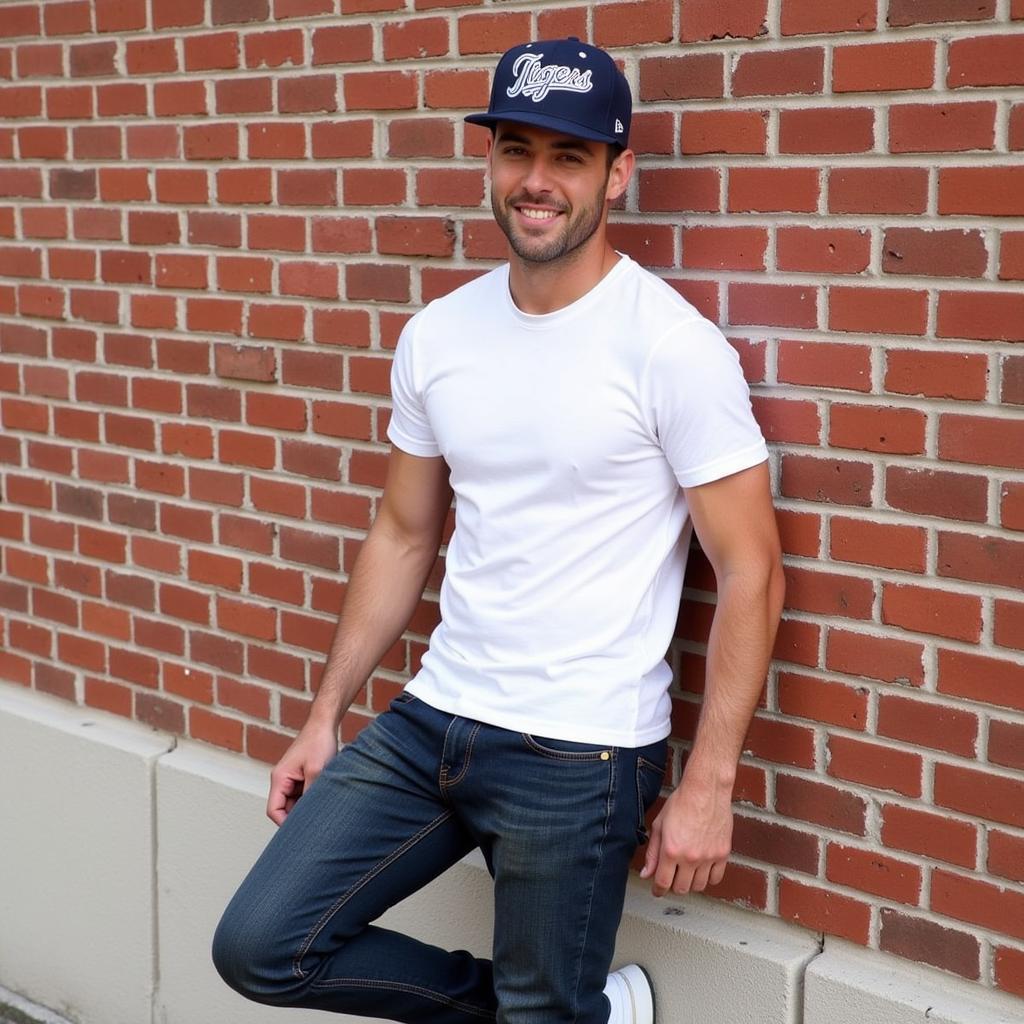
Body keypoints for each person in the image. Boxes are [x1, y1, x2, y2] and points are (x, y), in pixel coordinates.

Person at [212, 37, 785, 1024]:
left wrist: (708, 781)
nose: (536, 181)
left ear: (618, 174)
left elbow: (751, 571)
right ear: (488, 162)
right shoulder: (440, 335)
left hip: (585, 749)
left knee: (536, 1009)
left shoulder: (672, 349)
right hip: (436, 720)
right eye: (515, 149)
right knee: (263, 945)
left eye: (568, 157)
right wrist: (326, 712)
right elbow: (401, 533)